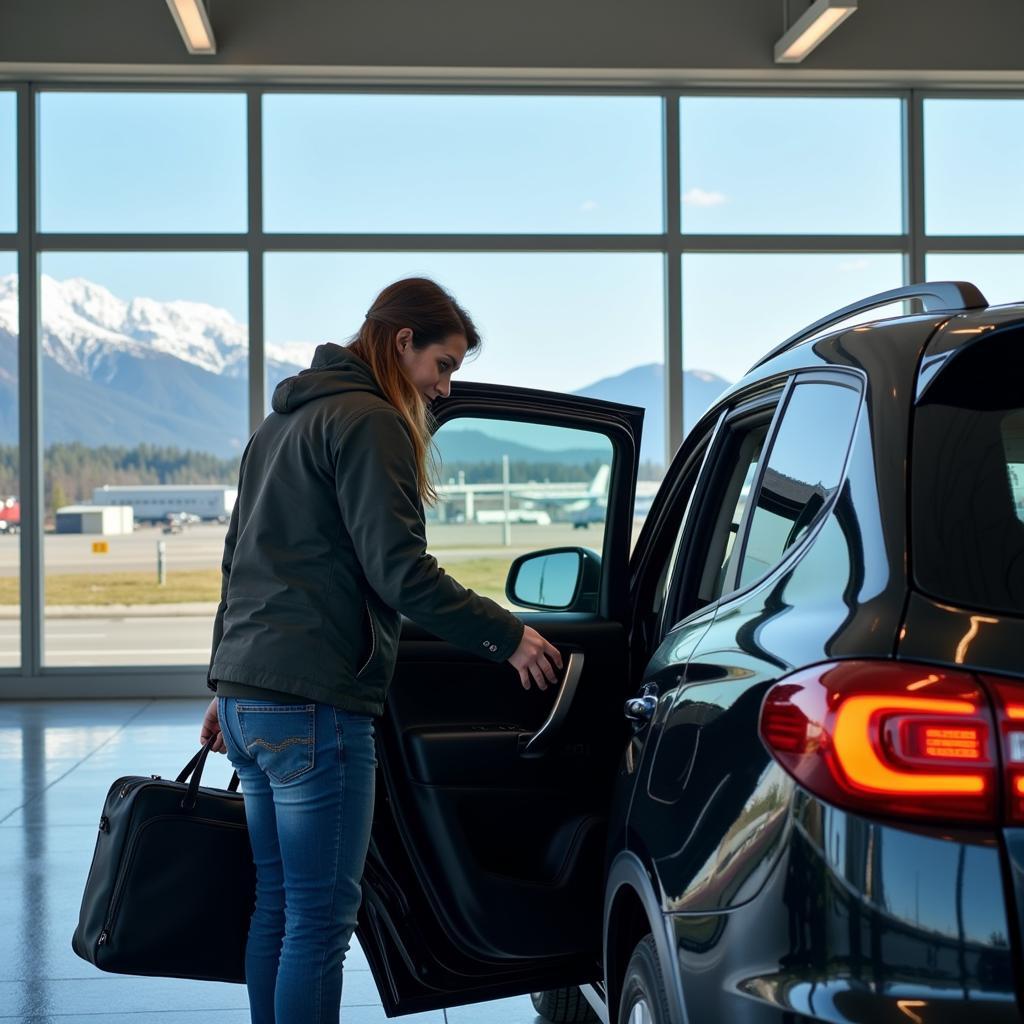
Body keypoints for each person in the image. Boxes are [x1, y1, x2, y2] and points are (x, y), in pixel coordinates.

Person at [198, 277, 561, 1024]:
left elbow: (238, 567)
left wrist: (224, 684)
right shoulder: (370, 422)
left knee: (277, 906)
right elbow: (401, 573)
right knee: (319, 924)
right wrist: (507, 635)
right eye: (444, 364)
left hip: (250, 697)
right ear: (403, 343)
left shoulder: (278, 427)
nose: (445, 386)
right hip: (313, 703)